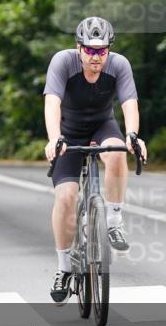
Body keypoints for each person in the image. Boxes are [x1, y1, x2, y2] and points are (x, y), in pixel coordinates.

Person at [43, 16, 147, 305]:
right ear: (79, 48)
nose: (96, 57)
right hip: (69, 131)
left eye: (102, 51)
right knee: (66, 196)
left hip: (103, 126)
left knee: (117, 151)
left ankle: (112, 220)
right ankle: (64, 268)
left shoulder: (119, 65)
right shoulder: (62, 62)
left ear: (109, 51)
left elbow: (129, 104)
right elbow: (52, 102)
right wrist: (54, 139)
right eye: (90, 50)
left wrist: (133, 135)